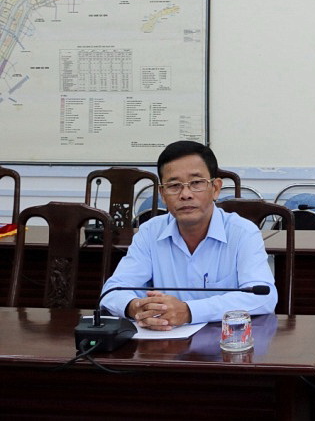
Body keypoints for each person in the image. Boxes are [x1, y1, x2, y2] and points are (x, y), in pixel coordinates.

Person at [100, 141, 277, 330]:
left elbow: (264, 296)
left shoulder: (242, 232)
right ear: (162, 194)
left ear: (215, 188)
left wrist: (188, 311)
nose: (185, 194)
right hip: (165, 342)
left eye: (196, 183)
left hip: (224, 342)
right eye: (174, 185)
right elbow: (113, 291)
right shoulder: (150, 232)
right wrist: (136, 307)